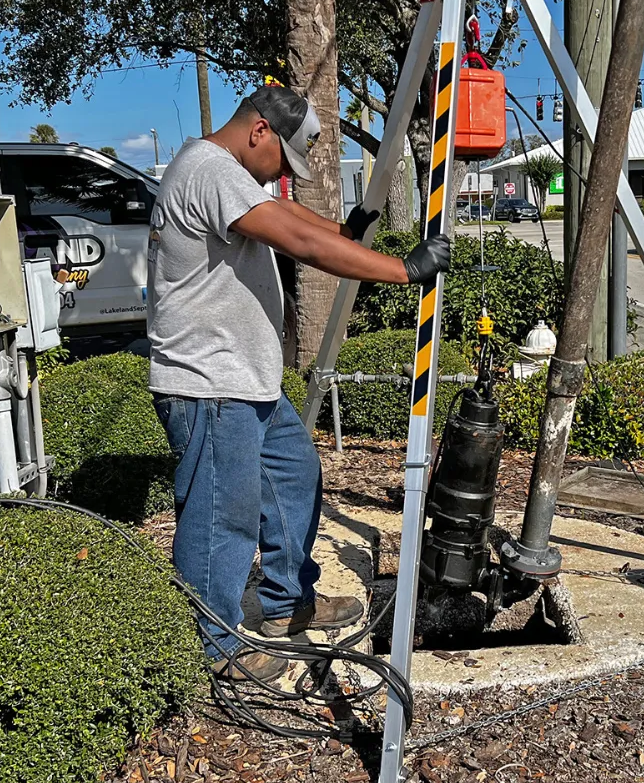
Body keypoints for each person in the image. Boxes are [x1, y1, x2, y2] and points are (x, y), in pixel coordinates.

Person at [147, 85, 450, 681]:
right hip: (208, 381)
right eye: (284, 159)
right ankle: (215, 650)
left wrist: (348, 225)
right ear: (259, 130)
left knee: (294, 474)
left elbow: (292, 218)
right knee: (220, 517)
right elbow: (301, 242)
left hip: (244, 378)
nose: (284, 173)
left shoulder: (223, 171)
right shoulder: (208, 168)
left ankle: (288, 603)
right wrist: (402, 270)